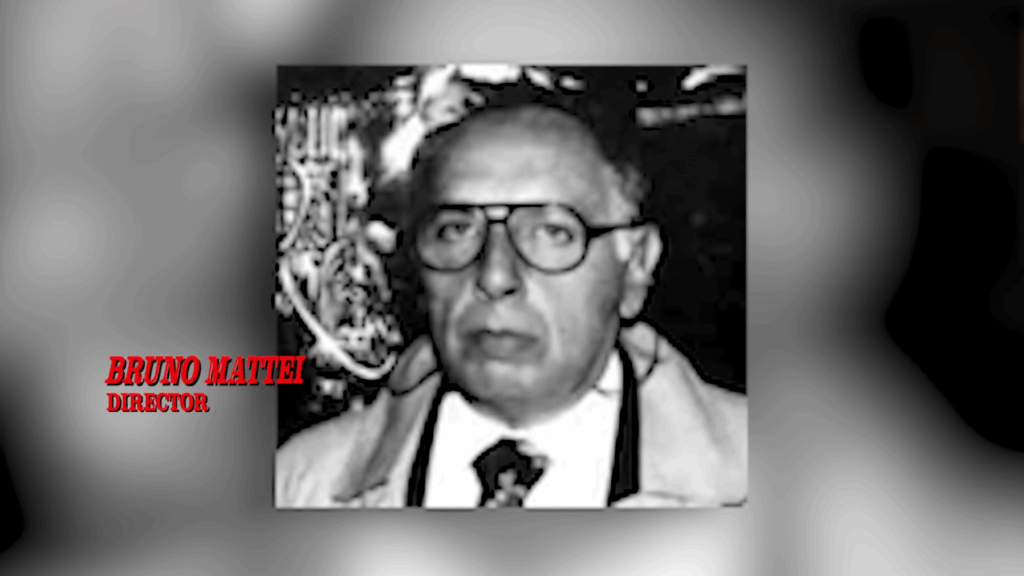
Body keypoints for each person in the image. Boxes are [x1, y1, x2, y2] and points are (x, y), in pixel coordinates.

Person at [275, 104, 747, 508]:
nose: (495, 275)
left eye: (552, 232)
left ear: (636, 264)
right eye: (456, 230)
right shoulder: (299, 484)